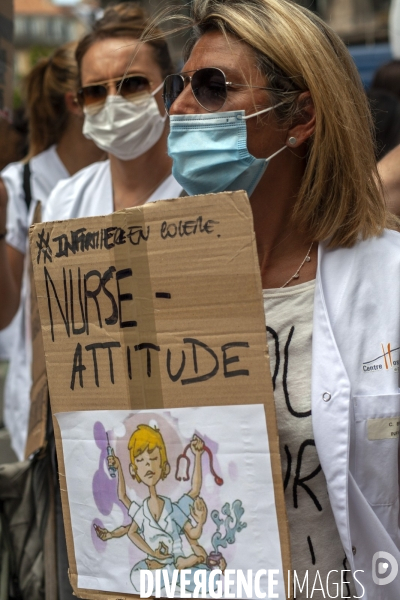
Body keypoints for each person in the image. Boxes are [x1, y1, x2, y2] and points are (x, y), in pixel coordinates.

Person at [161, 0, 400, 597]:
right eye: (178, 86)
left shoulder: (389, 283)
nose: (181, 107)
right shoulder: (144, 275)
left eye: (213, 87)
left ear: (300, 117)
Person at [0, 42, 105, 460]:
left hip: (113, 389)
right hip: (40, 395)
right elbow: (5, 311)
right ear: (76, 102)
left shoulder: (128, 175)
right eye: (102, 90)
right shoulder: (21, 185)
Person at [42, 2, 182, 226]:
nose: (112, 101)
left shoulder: (207, 192)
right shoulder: (65, 204)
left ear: (171, 88)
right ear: (79, 102)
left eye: (133, 83)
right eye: (95, 91)